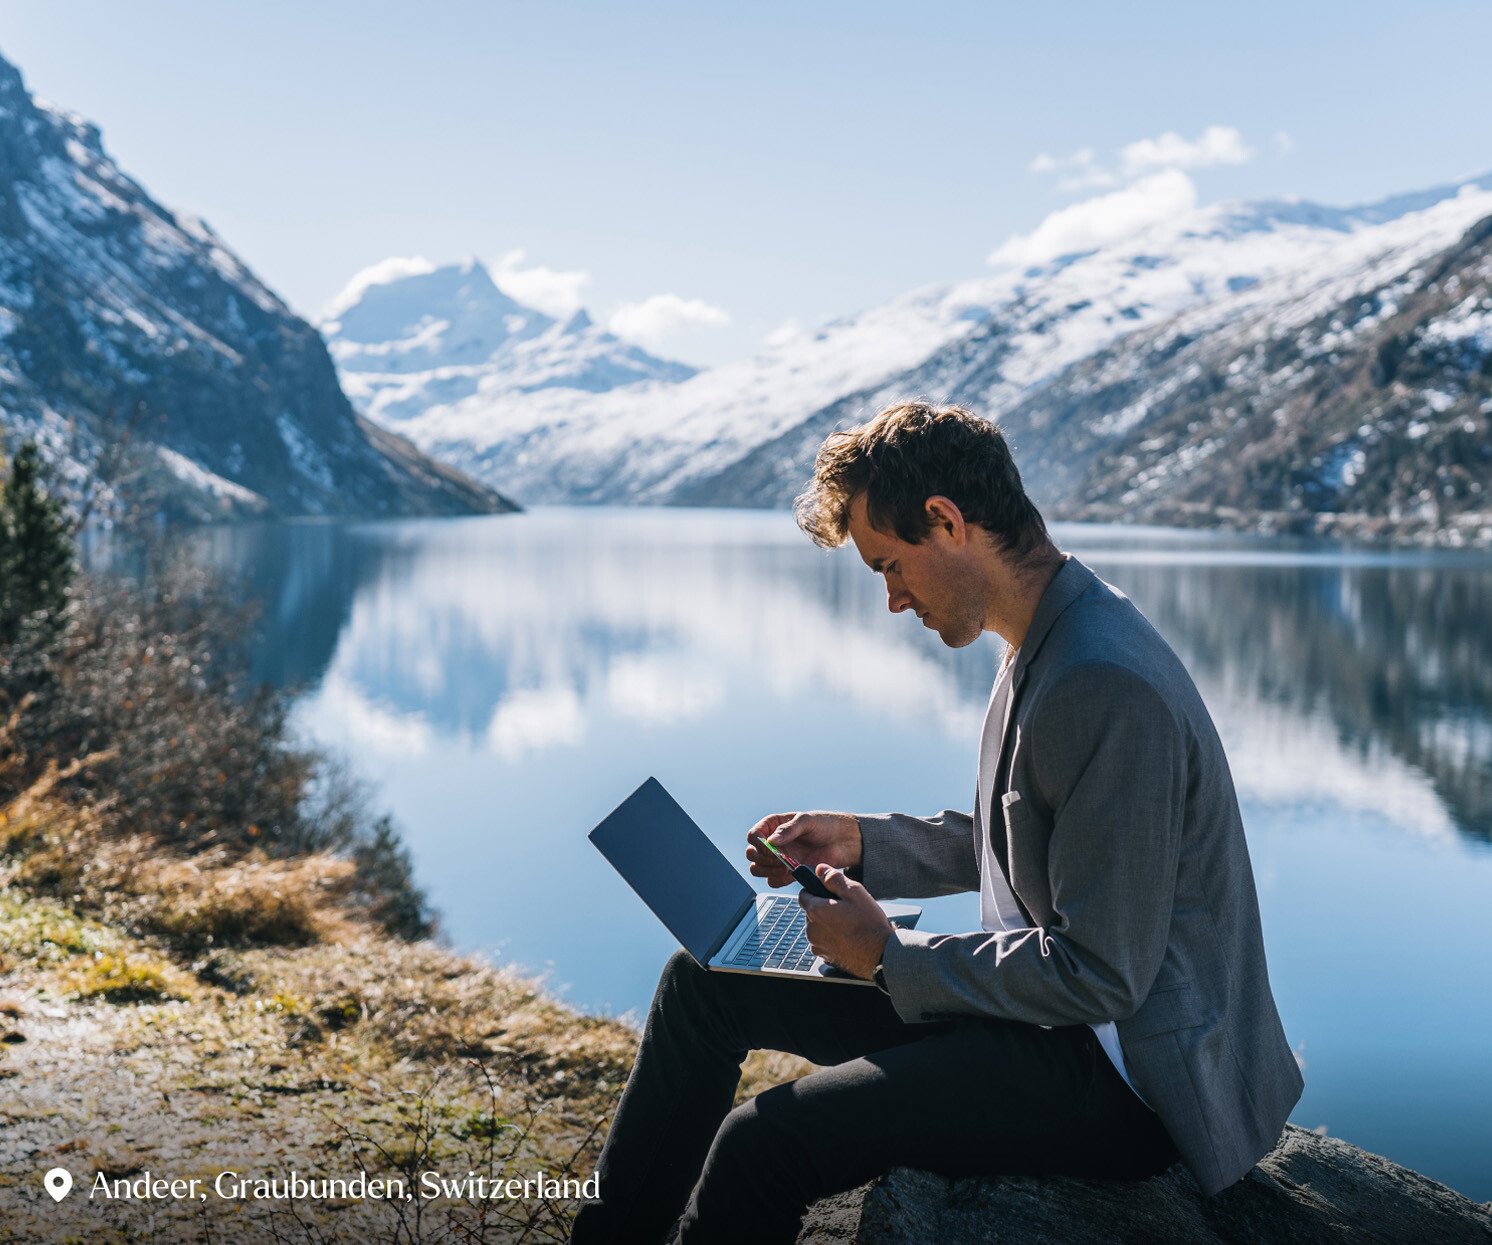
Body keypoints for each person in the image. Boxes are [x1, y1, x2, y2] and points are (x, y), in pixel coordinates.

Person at [570, 401, 1303, 1245]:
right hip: (1043, 1015)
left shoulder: (1102, 682)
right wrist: (864, 842)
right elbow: (1037, 829)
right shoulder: (1052, 631)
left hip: (1119, 1074)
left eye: (889, 566)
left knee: (760, 1144)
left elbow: (1103, 974)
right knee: (702, 990)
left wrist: (886, 953)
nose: (890, 600)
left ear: (947, 521)